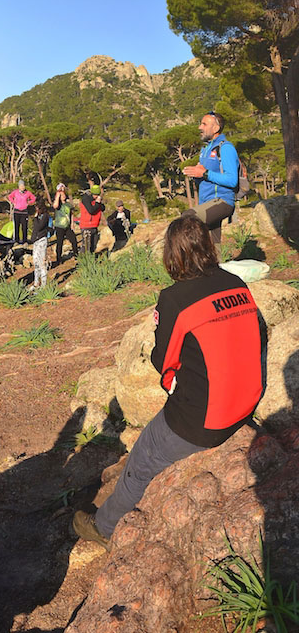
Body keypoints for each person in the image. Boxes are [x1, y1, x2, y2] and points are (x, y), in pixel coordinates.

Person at [75, 216, 267, 547]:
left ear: (172, 254)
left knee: (143, 456)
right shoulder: (237, 285)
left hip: (206, 419)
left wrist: (158, 332)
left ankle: (103, 528)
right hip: (248, 400)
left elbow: (164, 361)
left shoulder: (175, 299)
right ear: (208, 247)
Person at [182, 111, 238, 244]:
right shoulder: (206, 150)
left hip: (222, 201)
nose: (199, 127)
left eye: (204, 124)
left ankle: (184, 261)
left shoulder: (225, 148)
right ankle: (214, 263)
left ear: (216, 128)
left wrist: (205, 173)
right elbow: (205, 176)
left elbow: (232, 180)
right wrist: (196, 174)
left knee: (187, 219)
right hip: (206, 204)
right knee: (212, 245)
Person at [51, 183, 78, 265]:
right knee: (60, 243)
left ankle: (76, 256)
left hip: (67, 226)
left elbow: (72, 214)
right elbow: (55, 205)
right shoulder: (58, 205)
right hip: (59, 226)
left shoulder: (68, 204)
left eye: (64, 194)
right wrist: (58, 195)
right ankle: (58, 259)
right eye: (62, 195)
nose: (63, 195)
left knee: (74, 240)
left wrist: (72, 224)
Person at [31, 198, 52, 290]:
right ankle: (36, 283)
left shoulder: (45, 216)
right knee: (36, 262)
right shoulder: (39, 217)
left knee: (42, 262)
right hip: (35, 241)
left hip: (42, 240)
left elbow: (39, 227)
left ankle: (43, 284)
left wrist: (35, 218)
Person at [78, 185, 105, 255]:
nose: (96, 196)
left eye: (98, 195)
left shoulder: (96, 201)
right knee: (86, 246)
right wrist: (97, 203)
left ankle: (91, 260)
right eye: (95, 194)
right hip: (86, 225)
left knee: (93, 246)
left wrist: (98, 203)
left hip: (94, 225)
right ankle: (82, 262)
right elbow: (91, 210)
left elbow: (103, 208)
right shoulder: (86, 199)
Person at [7, 181, 36, 245]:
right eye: (21, 186)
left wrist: (28, 203)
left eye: (23, 185)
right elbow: (10, 197)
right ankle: (16, 241)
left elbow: (33, 198)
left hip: (24, 212)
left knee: (24, 227)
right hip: (16, 211)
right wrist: (13, 202)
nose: (22, 187)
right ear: (19, 186)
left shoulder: (27, 193)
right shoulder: (15, 192)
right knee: (16, 227)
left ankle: (24, 241)